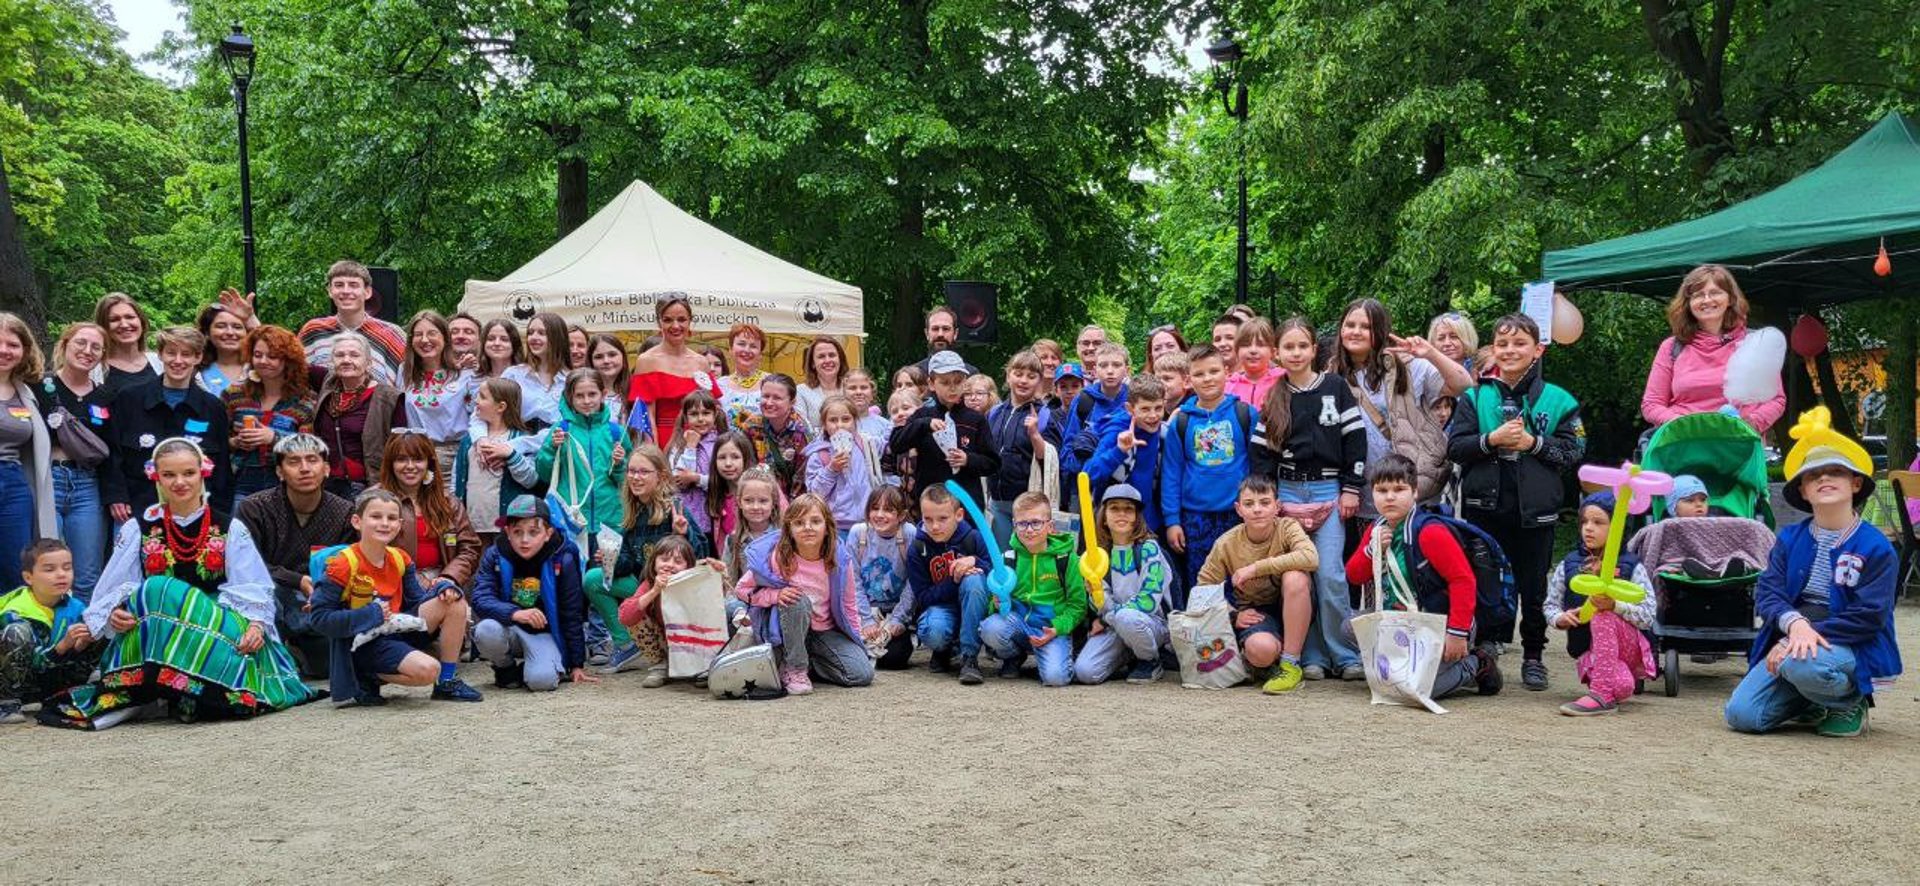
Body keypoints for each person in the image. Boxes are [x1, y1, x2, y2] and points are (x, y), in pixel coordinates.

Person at [42, 437, 320, 729]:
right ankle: (176, 690)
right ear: (156, 477)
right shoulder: (138, 529)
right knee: (157, 590)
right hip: (159, 628)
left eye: (188, 473)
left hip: (214, 624)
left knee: (160, 588)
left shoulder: (230, 528)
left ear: (203, 472)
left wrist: (255, 625)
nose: (180, 482)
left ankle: (190, 690)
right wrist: (116, 613)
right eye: (169, 474)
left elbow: (252, 586)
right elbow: (114, 589)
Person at [1724, 410, 1901, 737]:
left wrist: (1797, 638)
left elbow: (1869, 616)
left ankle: (1849, 701)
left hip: (1846, 643)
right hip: (1797, 634)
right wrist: (1795, 626)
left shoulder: (1876, 547)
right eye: (1813, 474)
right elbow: (1768, 593)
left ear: (1856, 483)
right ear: (1803, 491)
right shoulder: (1789, 539)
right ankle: (1810, 699)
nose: (1824, 478)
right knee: (1742, 715)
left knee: (1801, 663)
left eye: (1835, 472)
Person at [1447, 313, 1585, 691]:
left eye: (1519, 343)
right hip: (1483, 507)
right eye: (1503, 344)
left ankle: (1534, 655)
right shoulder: (1474, 397)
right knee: (1485, 581)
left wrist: (1532, 444)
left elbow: (1574, 451)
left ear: (1537, 350)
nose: (1510, 351)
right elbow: (1455, 447)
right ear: (1493, 349)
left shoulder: (1560, 400)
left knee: (1532, 587)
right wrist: (1490, 440)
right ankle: (1487, 651)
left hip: (1535, 511)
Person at [1251, 316, 1365, 680]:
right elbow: (1261, 457)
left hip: (1329, 491)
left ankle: (1344, 654)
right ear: (1276, 353)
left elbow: (1355, 440)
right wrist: (1275, 503)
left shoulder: (1335, 388)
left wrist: (1351, 488)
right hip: (1287, 494)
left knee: (1331, 573)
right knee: (1297, 575)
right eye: (1288, 347)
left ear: (1314, 349)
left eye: (1302, 346)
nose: (1296, 353)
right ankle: (1312, 653)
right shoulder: (1275, 395)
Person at [1345, 454, 1505, 700]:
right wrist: (1371, 550)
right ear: (1373, 493)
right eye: (1382, 490)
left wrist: (1457, 632)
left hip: (1438, 622)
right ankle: (1409, 666)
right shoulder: (1376, 528)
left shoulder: (1430, 532)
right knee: (1349, 627)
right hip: (1400, 621)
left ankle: (1475, 664)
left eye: (1399, 489)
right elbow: (1354, 576)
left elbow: (1463, 581)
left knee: (1422, 690)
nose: (1389, 497)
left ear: (1415, 492)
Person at [309, 488, 483, 705]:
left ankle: (446, 682)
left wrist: (441, 589)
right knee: (428, 670)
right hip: (362, 642)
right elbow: (319, 619)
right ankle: (363, 675)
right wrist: (370, 614)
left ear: (400, 524)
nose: (384, 523)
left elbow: (417, 602)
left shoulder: (400, 558)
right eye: (375, 516)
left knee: (454, 600)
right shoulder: (343, 564)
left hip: (395, 629)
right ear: (357, 521)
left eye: (391, 518)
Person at [1330, 297, 1471, 510]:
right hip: (1356, 493)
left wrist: (1431, 353)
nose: (1356, 331)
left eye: (1366, 326)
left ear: (1380, 330)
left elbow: (1463, 385)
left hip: (1408, 488)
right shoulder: (1331, 373)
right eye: (1350, 325)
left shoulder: (1406, 365)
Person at [236, 434, 355, 678]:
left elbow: (349, 563)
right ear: (279, 471)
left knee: (328, 667)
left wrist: (324, 588)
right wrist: (297, 580)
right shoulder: (254, 508)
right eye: (293, 462)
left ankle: (300, 653)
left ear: (327, 469)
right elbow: (246, 565)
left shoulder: (344, 512)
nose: (304, 469)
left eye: (312, 460)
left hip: (321, 596)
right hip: (268, 594)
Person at [735, 493, 872, 694]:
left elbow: (849, 604)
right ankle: (795, 668)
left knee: (861, 673)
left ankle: (808, 662)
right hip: (786, 629)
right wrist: (775, 595)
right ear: (789, 529)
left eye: (815, 521)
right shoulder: (778, 558)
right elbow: (741, 589)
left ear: (827, 528)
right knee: (797, 600)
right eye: (799, 523)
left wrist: (856, 640)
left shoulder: (840, 560)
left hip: (823, 631)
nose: (808, 527)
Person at [1196, 476, 1320, 692]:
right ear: (1238, 509)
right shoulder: (1226, 543)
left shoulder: (1287, 527)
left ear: (1277, 506)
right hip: (1258, 613)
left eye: (1265, 502)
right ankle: (1264, 660)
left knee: (1295, 576)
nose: (1257, 509)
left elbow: (1311, 557)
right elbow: (1203, 588)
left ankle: (1290, 665)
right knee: (1260, 650)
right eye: (1249, 504)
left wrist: (1255, 568)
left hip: (1295, 603)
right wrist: (1233, 614)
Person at [598, 445, 711, 674]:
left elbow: (701, 554)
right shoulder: (633, 511)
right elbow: (629, 563)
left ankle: (678, 655)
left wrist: (683, 533)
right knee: (593, 579)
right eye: (631, 471)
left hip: (677, 585)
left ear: (660, 476)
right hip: (648, 582)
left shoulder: (674, 508)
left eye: (642, 472)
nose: (635, 477)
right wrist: (610, 559)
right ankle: (627, 645)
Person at [103, 326, 233, 521]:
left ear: (197, 358)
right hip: (137, 510)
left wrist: (219, 513)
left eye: (186, 354)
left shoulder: (213, 407)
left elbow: (222, 466)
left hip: (197, 512)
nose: (178, 361)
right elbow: (113, 453)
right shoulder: (129, 399)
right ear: (160, 355)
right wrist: (116, 496)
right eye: (171, 353)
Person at [1641, 264, 1787, 435]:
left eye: (1715, 292)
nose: (1707, 300)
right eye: (1698, 295)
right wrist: (1683, 425)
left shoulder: (1755, 343)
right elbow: (1651, 404)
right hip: (1685, 446)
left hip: (1740, 445)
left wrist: (1750, 425)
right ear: (1688, 304)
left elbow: (1776, 399)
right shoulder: (1671, 347)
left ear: (1731, 299)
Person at [1547, 493, 1657, 716]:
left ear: (1617, 527)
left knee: (1603, 614)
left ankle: (1602, 695)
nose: (1588, 528)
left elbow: (1648, 615)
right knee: (1624, 686)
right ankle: (1609, 685)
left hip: (1628, 645)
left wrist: (1615, 606)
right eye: (1585, 522)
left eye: (1598, 522)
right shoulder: (1569, 564)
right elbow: (1550, 605)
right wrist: (1559, 618)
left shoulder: (1631, 566)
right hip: (1588, 649)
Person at [470, 495, 595, 691]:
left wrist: (577, 664)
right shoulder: (495, 554)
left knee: (541, 682)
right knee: (485, 630)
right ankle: (506, 670)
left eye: (533, 532)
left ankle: (532, 669)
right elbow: (480, 598)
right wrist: (514, 613)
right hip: (509, 628)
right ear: (507, 532)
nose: (524, 540)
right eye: (517, 532)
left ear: (548, 533)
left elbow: (572, 612)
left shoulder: (563, 557)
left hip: (545, 634)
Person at [1160, 345, 1255, 591]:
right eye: (1200, 374)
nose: (1208, 378)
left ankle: (1243, 628)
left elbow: (1258, 467)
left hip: (1238, 514)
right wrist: (1172, 520)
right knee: (1203, 582)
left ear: (1226, 372)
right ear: (1189, 380)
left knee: (1242, 581)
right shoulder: (1182, 422)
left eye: (1214, 371)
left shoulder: (1245, 414)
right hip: (1195, 518)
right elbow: (1171, 473)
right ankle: (1206, 629)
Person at [880, 483, 992, 683]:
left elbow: (997, 573)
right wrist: (955, 580)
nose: (935, 526)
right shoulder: (918, 548)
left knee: (974, 580)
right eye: (928, 519)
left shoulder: (973, 538)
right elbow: (922, 596)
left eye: (943, 519)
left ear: (958, 515)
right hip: (940, 608)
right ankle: (945, 648)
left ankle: (969, 657)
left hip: (974, 606)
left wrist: (975, 561)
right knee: (933, 632)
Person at [36, 322, 113, 600]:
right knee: (47, 566)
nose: (87, 351)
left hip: (87, 486)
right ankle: (50, 635)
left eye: (96, 347)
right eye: (81, 343)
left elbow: (112, 449)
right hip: (48, 482)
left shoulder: (105, 396)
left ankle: (84, 639)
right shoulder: (39, 387)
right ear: (65, 343)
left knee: (88, 572)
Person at [978, 491, 1086, 687]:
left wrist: (1057, 628)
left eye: (1036, 523)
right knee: (990, 628)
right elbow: (992, 604)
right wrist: (996, 604)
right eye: (1022, 523)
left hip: (1051, 627)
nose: (1029, 530)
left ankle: (1059, 657)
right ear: (1014, 525)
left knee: (1056, 678)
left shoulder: (1066, 560)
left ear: (1050, 526)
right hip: (1019, 625)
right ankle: (1013, 657)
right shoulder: (1007, 559)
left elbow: (1077, 606)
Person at [1073, 484, 1173, 685]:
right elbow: (1101, 605)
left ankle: (1150, 660)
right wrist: (1097, 599)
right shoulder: (1099, 555)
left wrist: (1106, 619)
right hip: (1115, 626)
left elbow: (1149, 602)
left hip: (1151, 623)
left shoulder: (1149, 549)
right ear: (1104, 515)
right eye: (1114, 508)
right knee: (1085, 672)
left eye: (1128, 509)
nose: (1122, 514)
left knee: (1128, 618)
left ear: (1137, 516)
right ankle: (1128, 654)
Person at [0, 540, 96, 723]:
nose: (61, 574)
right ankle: (7, 703)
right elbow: (34, 663)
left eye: (67, 568)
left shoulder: (76, 607)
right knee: (16, 632)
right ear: (29, 578)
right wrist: (61, 647)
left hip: (48, 680)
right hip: (20, 679)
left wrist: (80, 645)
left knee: (100, 626)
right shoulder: (14, 612)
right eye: (50, 569)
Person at [536, 372, 629, 556]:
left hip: (609, 519)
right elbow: (544, 474)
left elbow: (626, 481)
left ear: (603, 394)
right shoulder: (561, 430)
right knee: (571, 577)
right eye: (579, 395)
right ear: (570, 397)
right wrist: (552, 449)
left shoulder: (615, 432)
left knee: (603, 577)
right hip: (571, 521)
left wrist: (619, 464)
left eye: (592, 394)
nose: (586, 401)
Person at [377, 433, 482, 592]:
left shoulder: (448, 503)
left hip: (443, 581)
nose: (410, 466)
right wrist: (420, 582)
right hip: (394, 583)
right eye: (401, 459)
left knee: (454, 607)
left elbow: (470, 548)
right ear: (390, 464)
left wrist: (449, 578)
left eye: (418, 459)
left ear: (429, 463)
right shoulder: (375, 500)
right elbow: (373, 550)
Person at [616, 535, 726, 688]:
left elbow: (720, 601)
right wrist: (655, 591)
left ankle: (703, 667)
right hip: (667, 642)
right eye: (664, 560)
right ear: (654, 561)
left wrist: (719, 573)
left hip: (696, 641)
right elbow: (625, 616)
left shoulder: (696, 582)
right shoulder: (650, 583)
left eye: (678, 561)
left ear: (689, 566)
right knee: (636, 614)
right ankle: (660, 665)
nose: (669, 565)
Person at [890, 352, 999, 502]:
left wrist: (968, 459)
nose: (953, 388)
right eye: (945, 383)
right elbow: (896, 444)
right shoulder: (922, 416)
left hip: (966, 503)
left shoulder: (975, 419)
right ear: (931, 384)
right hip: (931, 502)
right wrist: (924, 424)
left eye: (958, 381)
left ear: (965, 382)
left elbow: (992, 463)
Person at [223, 325, 315, 502]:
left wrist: (273, 438)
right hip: (242, 480)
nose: (263, 361)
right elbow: (216, 440)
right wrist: (235, 442)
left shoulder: (305, 400)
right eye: (258, 355)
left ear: (288, 360)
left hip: (287, 482)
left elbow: (310, 448)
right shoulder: (234, 395)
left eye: (272, 356)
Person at [311, 332, 406, 499]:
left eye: (354, 355)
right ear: (332, 361)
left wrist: (385, 483)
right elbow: (287, 359)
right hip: (324, 486)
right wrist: (250, 319)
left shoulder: (388, 398)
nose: (346, 360)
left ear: (368, 363)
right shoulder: (326, 384)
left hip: (368, 486)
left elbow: (402, 448)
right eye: (339, 355)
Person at [454, 377, 543, 549]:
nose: (476, 400)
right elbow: (457, 477)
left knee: (505, 569)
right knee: (477, 570)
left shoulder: (523, 440)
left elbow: (531, 479)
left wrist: (511, 456)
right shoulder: (470, 440)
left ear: (501, 407)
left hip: (507, 525)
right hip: (472, 523)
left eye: (482, 396)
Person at [0, 315, 56, 585]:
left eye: (12, 344)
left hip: (13, 483)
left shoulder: (25, 392)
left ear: (24, 351)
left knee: (16, 564)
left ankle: (13, 625)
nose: (4, 351)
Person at [985, 350, 1061, 547]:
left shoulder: (1045, 415)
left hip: (1028, 506)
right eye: (1018, 374)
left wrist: (1035, 434)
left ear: (1040, 381)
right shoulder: (994, 413)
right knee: (1002, 559)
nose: (1024, 380)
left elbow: (1050, 460)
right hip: (997, 503)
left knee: (1027, 559)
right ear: (1008, 375)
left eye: (1031, 376)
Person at [296, 260, 407, 385]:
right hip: (322, 404)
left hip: (378, 404)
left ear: (367, 292)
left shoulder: (391, 334)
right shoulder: (313, 331)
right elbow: (296, 376)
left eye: (353, 285)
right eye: (339, 285)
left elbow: (410, 381)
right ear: (329, 291)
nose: (346, 291)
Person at [628, 296, 721, 446]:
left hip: (699, 440)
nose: (675, 326)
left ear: (690, 321)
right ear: (659, 322)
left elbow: (712, 408)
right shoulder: (646, 361)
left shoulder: (701, 362)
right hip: (663, 439)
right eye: (668, 320)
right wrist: (654, 457)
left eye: (682, 319)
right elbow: (646, 417)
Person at [1083, 374, 1169, 532]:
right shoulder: (1117, 430)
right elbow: (1088, 475)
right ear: (1130, 409)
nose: (1153, 415)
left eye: (1158, 408)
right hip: (1115, 522)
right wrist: (1119, 450)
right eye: (1145, 409)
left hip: (1148, 520)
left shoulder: (1163, 431)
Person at [401, 310, 478, 482]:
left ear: (445, 338)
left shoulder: (465, 373)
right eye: (418, 334)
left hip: (455, 457)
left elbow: (478, 416)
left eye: (432, 333)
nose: (425, 340)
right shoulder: (404, 372)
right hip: (415, 456)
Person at [849, 487, 917, 670]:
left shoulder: (909, 534)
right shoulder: (858, 534)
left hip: (895, 610)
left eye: (888, 510)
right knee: (858, 655)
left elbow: (914, 582)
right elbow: (852, 581)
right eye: (875, 508)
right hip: (866, 609)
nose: (880, 515)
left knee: (894, 658)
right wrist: (866, 620)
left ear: (901, 515)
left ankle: (909, 637)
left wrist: (898, 619)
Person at [803, 395, 877, 538]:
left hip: (868, 521)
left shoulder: (866, 445)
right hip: (836, 524)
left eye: (845, 419)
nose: (840, 425)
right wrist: (831, 469)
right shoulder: (819, 454)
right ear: (824, 424)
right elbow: (815, 493)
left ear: (855, 421)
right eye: (833, 420)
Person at [738, 373, 814, 499]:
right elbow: (744, 467)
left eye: (777, 398)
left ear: (792, 402)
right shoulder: (751, 426)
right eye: (765, 396)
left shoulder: (802, 431)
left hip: (791, 501)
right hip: (757, 498)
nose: (769, 403)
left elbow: (802, 478)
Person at [668, 390, 723, 535]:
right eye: (694, 414)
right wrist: (690, 447)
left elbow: (722, 482)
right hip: (685, 517)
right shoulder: (678, 444)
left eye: (706, 413)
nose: (700, 419)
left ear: (715, 415)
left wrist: (696, 478)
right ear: (685, 417)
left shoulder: (720, 444)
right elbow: (680, 480)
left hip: (714, 515)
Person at [503, 312, 570, 427]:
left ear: (557, 337)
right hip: (520, 440)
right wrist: (481, 438)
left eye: (541, 333)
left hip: (557, 441)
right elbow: (485, 411)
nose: (533, 337)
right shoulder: (513, 375)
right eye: (530, 333)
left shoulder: (571, 380)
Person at [92, 292, 159, 402]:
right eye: (114, 319)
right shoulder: (94, 370)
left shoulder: (160, 363)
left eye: (130, 317)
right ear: (103, 327)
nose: (124, 324)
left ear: (141, 321)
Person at [704, 432, 758, 541]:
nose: (728, 463)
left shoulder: (763, 488)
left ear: (746, 458)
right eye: (722, 457)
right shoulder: (717, 495)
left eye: (735, 457)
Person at [717, 322, 771, 429]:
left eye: (753, 346)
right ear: (731, 350)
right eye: (741, 344)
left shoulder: (773, 382)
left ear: (760, 354)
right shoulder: (719, 386)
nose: (747, 350)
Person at [195, 301, 250, 397]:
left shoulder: (260, 368)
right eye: (221, 326)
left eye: (237, 327)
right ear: (207, 333)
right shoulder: (194, 371)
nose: (230, 332)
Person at [1224, 317, 1282, 407]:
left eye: (1260, 344)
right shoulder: (1227, 387)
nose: (1253, 350)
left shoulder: (1283, 379)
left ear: (1273, 352)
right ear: (1236, 351)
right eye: (1246, 345)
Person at [914, 307, 978, 377]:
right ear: (927, 334)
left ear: (955, 334)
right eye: (935, 329)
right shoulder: (915, 374)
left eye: (946, 329)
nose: (940, 334)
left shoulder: (970, 374)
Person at [587, 332, 636, 425]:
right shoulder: (583, 393)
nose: (606, 361)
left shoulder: (636, 389)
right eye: (599, 357)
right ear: (590, 361)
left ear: (623, 357)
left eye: (612, 355)